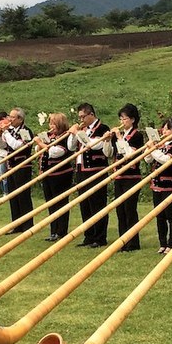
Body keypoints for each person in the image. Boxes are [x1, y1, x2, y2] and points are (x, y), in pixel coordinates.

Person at [68, 102, 112, 248]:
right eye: (79, 116)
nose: (81, 119)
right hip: (81, 170)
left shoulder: (103, 128)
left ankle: (100, 237)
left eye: (83, 116)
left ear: (91, 115)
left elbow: (93, 144)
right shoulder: (82, 129)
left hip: (96, 170)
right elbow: (71, 147)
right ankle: (88, 235)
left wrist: (78, 134)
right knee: (85, 204)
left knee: (97, 204)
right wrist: (73, 134)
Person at [34, 112, 74, 242]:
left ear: (60, 124)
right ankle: (53, 231)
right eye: (50, 123)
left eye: (53, 123)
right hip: (48, 174)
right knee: (50, 203)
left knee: (60, 202)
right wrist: (40, 143)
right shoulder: (50, 136)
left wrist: (41, 143)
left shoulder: (65, 136)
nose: (51, 126)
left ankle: (61, 231)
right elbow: (37, 150)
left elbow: (55, 152)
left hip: (61, 174)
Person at [145, 118, 172, 254]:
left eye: (167, 129)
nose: (164, 132)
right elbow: (148, 159)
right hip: (157, 183)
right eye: (164, 128)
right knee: (159, 215)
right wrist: (149, 149)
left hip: (170, 182)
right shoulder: (161, 143)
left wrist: (153, 150)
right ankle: (162, 243)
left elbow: (167, 160)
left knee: (170, 215)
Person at [112, 103, 145, 251]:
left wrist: (119, 137)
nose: (122, 122)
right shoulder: (120, 136)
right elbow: (110, 154)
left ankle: (133, 242)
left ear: (132, 120)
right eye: (121, 119)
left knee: (130, 209)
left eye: (124, 119)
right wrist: (108, 140)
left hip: (131, 176)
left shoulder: (137, 135)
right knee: (120, 210)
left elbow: (130, 154)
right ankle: (122, 241)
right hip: (119, 176)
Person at [0, 108, 35, 233]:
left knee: (23, 195)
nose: (10, 119)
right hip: (11, 166)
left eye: (13, 117)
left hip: (23, 166)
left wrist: (6, 133)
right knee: (12, 195)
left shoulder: (26, 131)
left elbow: (17, 146)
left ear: (20, 119)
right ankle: (16, 224)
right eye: (10, 116)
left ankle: (27, 224)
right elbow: (1, 146)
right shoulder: (9, 131)